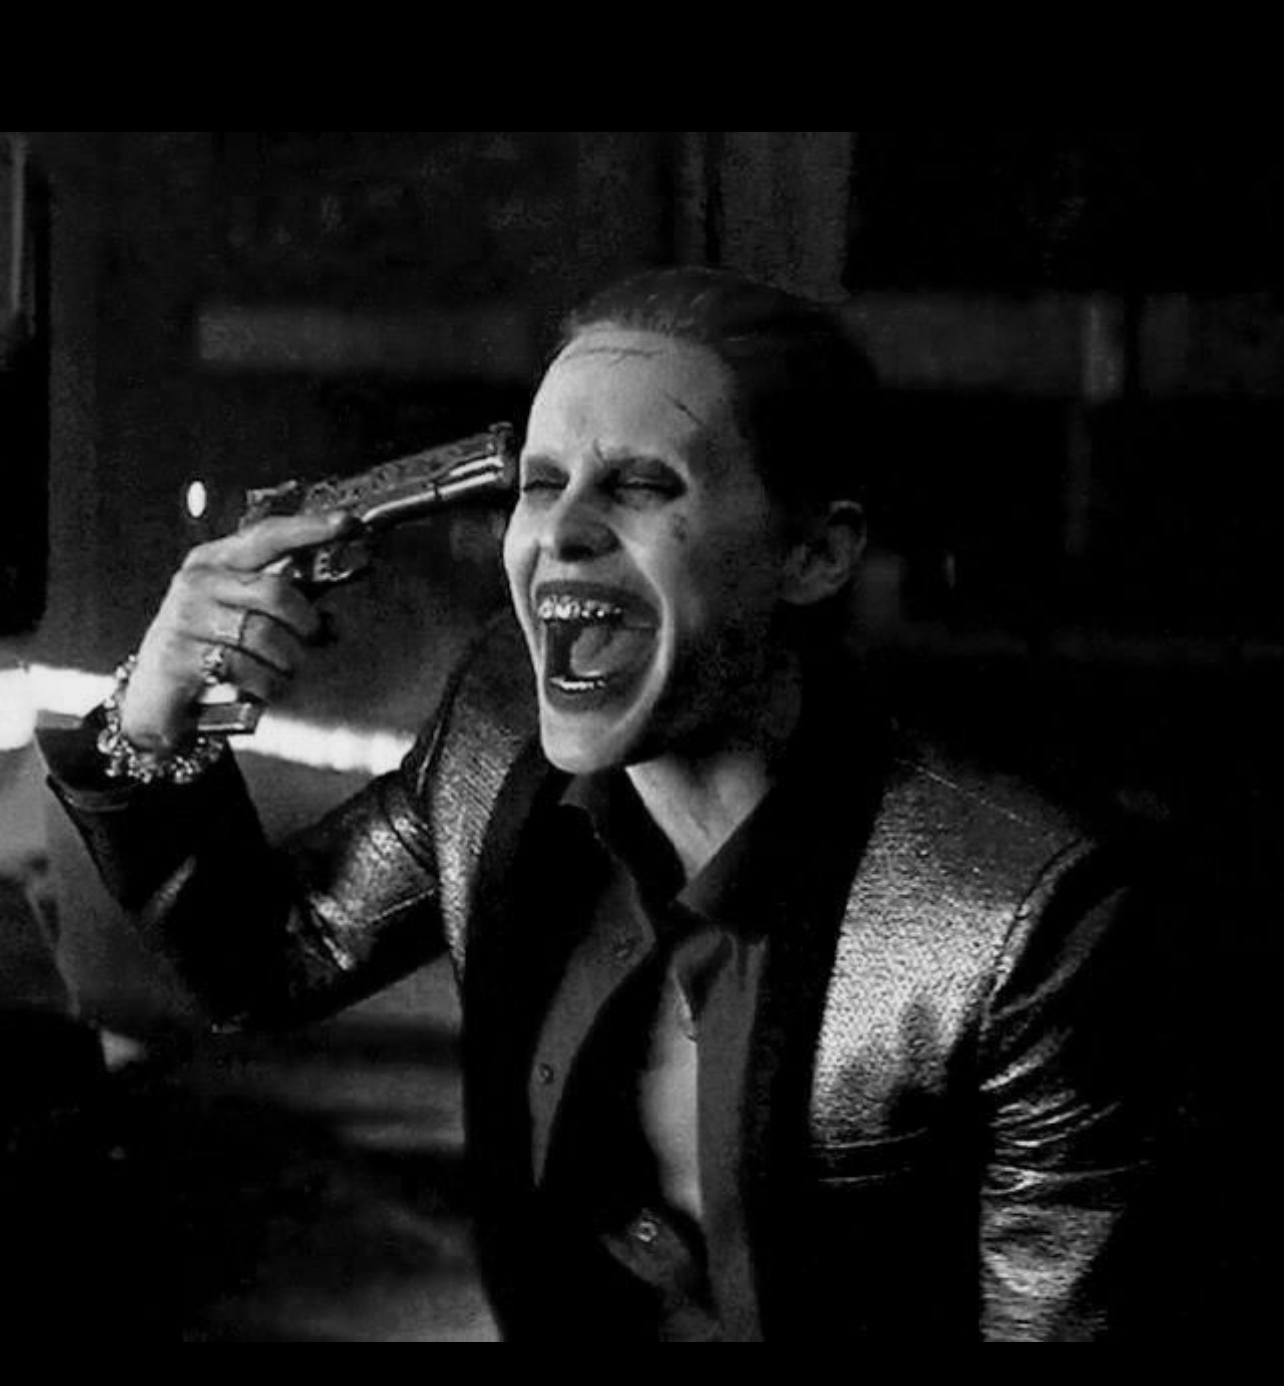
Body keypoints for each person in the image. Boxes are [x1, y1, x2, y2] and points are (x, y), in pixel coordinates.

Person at [42, 267, 1213, 1342]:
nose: (562, 533)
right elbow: (262, 960)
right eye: (540, 485)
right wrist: (154, 715)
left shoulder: (1023, 920)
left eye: (643, 485)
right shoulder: (499, 725)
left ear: (815, 553)